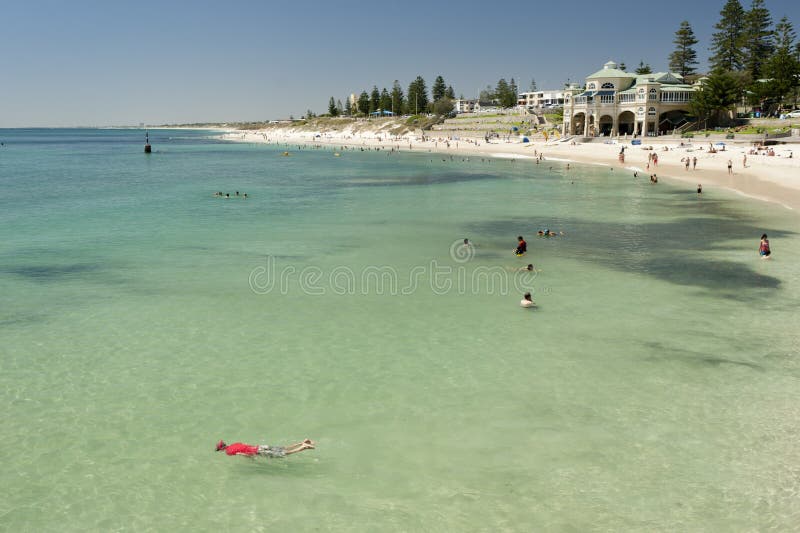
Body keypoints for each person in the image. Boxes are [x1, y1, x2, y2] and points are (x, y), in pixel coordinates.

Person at [215, 438, 315, 458]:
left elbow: (240, 453)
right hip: (259, 447)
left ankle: (304, 447)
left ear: (221, 449)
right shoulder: (235, 443)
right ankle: (303, 442)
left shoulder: (228, 452)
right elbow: (246, 444)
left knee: (284, 454)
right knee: (284, 448)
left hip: (258, 451)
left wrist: (250, 458)